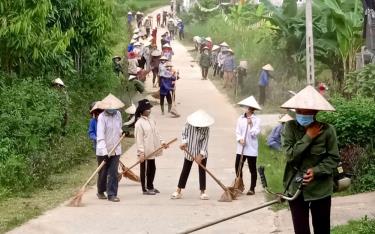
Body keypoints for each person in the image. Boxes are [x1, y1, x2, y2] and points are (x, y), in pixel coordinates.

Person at [280, 85, 339, 234]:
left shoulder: (328, 131)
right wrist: (308, 137)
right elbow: (289, 155)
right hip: (296, 188)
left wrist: (316, 171)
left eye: (303, 110)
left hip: (321, 189)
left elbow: (333, 158)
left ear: (314, 111)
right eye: (297, 110)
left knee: (322, 229)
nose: (299, 113)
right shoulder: (289, 127)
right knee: (301, 230)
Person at [171, 110, 214, 200]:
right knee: (185, 170)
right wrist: (184, 143)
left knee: (202, 171)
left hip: (201, 152)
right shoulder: (188, 124)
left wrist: (201, 155)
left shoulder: (206, 128)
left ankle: (203, 192)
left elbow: (205, 142)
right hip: (189, 150)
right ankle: (178, 191)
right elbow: (184, 134)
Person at [134, 99, 168, 195]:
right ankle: (145, 189)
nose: (149, 110)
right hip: (145, 152)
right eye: (147, 109)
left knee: (152, 169)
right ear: (141, 111)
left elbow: (156, 133)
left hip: (153, 150)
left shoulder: (152, 120)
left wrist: (162, 142)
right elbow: (139, 140)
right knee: (145, 170)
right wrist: (141, 153)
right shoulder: (139, 124)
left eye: (149, 108)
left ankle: (150, 186)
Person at [96, 94, 124, 202]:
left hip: (116, 148)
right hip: (104, 149)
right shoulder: (102, 117)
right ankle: (100, 190)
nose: (112, 109)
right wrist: (104, 152)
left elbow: (119, 128)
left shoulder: (118, 115)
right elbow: (100, 136)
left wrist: (121, 133)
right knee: (103, 171)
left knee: (113, 172)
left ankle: (112, 194)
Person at [236, 96, 261, 195]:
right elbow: (237, 131)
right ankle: (239, 186)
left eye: (247, 107)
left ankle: (252, 188)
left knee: (252, 168)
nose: (245, 109)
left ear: (251, 109)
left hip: (251, 148)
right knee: (238, 166)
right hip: (241, 147)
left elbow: (254, 134)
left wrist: (251, 125)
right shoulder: (240, 118)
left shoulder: (257, 120)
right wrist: (240, 139)